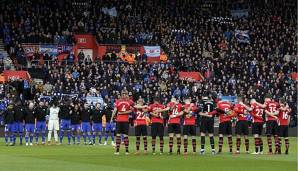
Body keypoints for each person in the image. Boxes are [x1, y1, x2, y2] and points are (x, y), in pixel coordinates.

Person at [111, 90, 134, 155]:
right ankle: (126, 151)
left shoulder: (118, 101)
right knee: (125, 136)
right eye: (124, 94)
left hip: (119, 120)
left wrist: (112, 118)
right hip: (125, 120)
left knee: (119, 135)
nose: (124, 95)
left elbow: (115, 111)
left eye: (125, 94)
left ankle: (118, 151)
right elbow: (131, 110)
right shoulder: (130, 102)